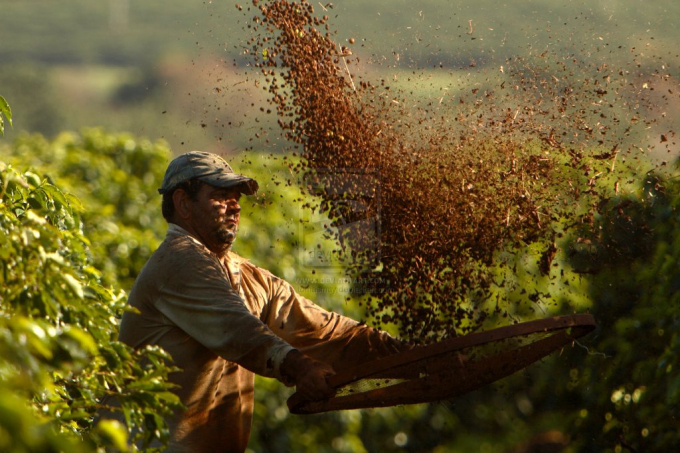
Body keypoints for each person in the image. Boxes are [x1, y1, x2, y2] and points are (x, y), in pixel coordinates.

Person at [118, 151, 405, 452]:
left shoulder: (241, 273)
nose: (235, 206)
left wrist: (404, 354)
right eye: (220, 195)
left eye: (236, 197)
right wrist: (300, 367)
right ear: (183, 203)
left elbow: (319, 328)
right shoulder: (177, 259)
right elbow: (238, 330)